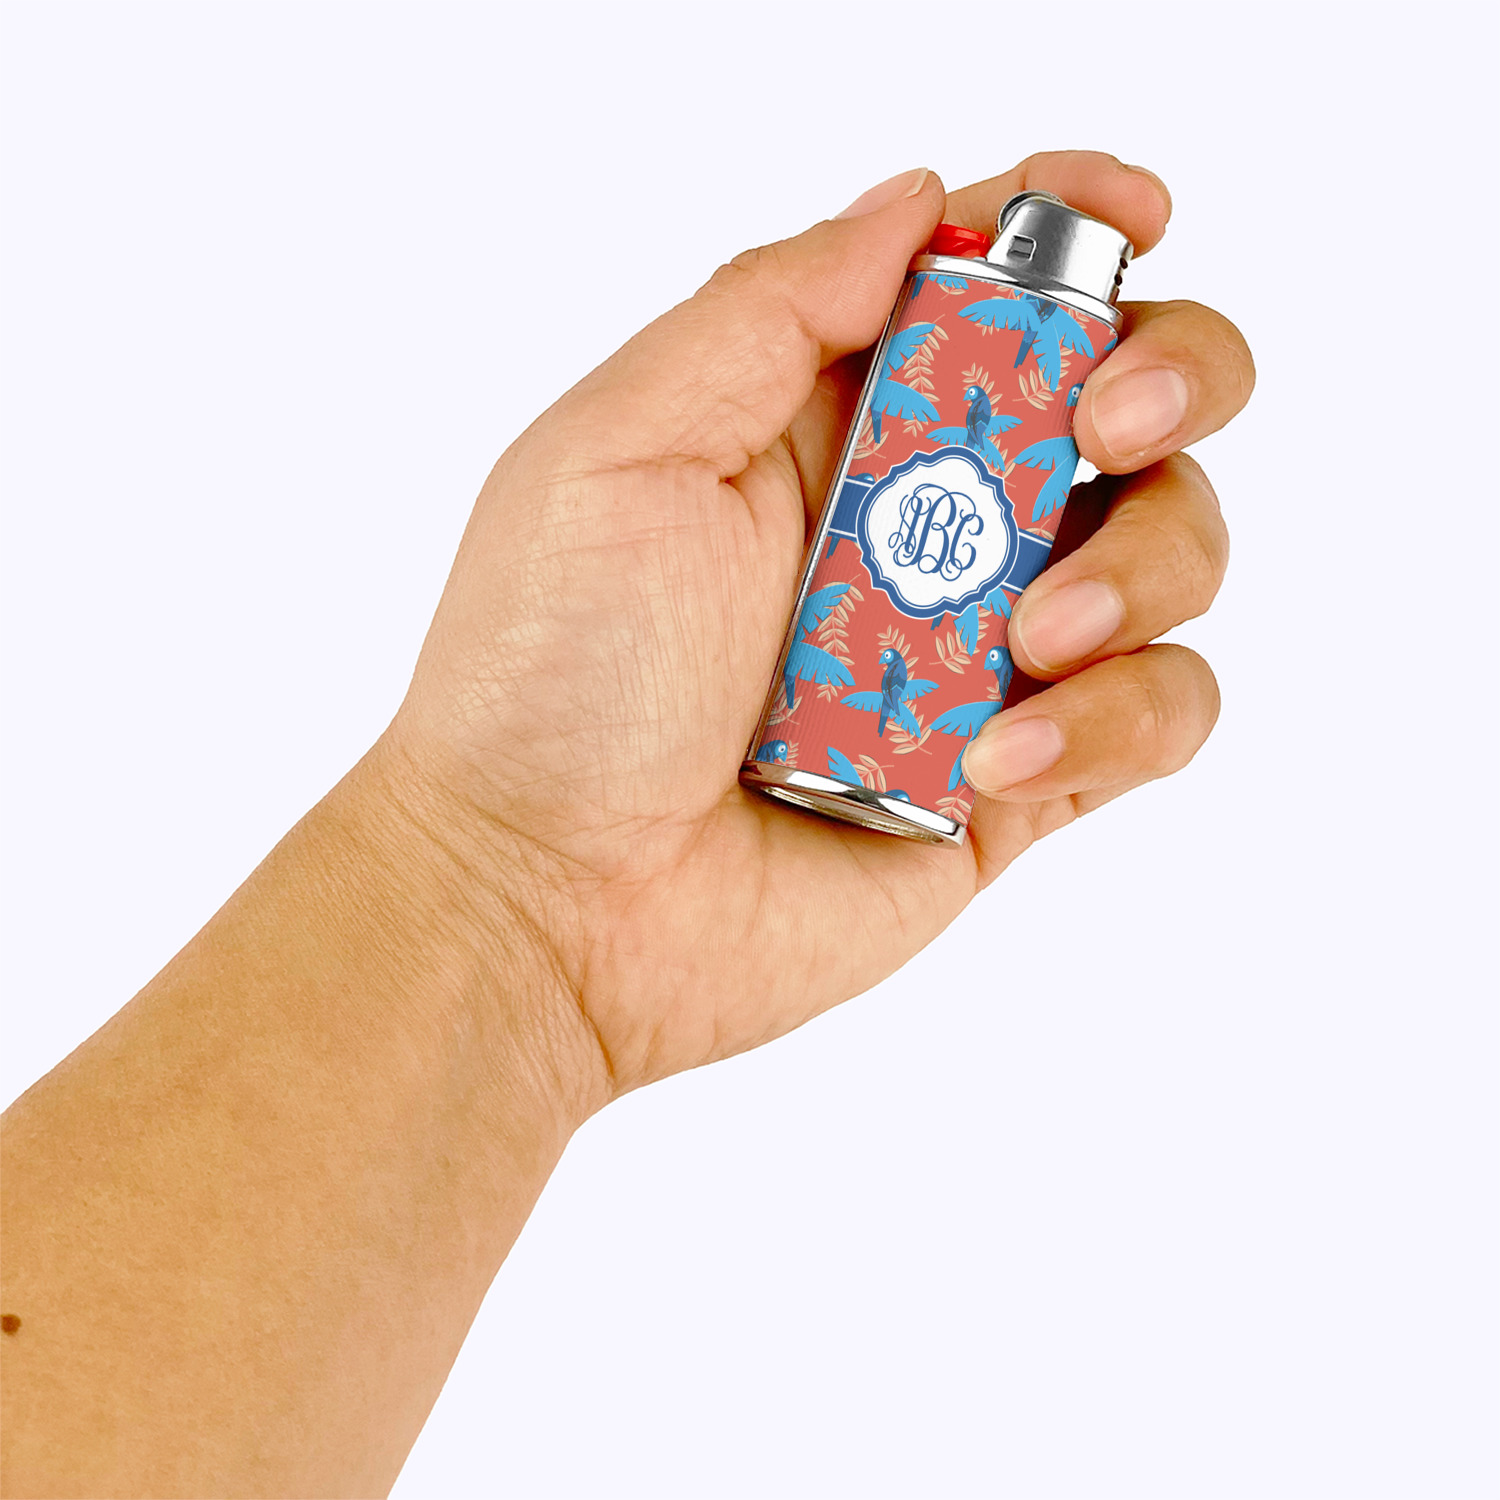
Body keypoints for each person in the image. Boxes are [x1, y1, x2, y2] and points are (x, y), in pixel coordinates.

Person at [0, 153, 1253, 1498]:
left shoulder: (1030, 340)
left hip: (890, 774)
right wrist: (500, 872)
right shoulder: (957, 310)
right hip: (815, 758)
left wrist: (511, 903)